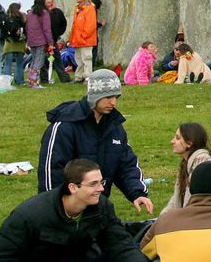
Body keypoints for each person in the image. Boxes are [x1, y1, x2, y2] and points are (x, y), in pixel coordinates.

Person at [0, 158, 153, 262]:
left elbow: (118, 242)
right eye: (93, 184)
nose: (101, 189)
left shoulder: (101, 206)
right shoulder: (30, 214)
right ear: (73, 187)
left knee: (135, 257)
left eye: (101, 182)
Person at [38, 69, 153, 214]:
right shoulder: (65, 126)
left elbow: (126, 164)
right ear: (94, 96)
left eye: (116, 97)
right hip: (67, 209)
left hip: (98, 207)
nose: (114, 102)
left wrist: (137, 193)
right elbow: (51, 170)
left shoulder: (115, 126)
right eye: (108, 97)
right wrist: (56, 208)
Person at [24, 0, 53, 88]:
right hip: (41, 40)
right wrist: (50, 42)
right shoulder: (44, 13)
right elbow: (47, 29)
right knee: (39, 61)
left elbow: (27, 28)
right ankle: (34, 82)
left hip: (31, 40)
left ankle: (30, 80)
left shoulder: (30, 13)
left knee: (33, 60)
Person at [70, 0, 98, 83]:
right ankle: (78, 76)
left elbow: (91, 25)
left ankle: (88, 77)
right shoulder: (77, 8)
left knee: (87, 58)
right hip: (77, 39)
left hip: (86, 39)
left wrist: (84, 35)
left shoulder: (90, 8)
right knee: (78, 59)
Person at [42, 0, 69, 84]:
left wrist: (58, 33)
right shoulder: (41, 12)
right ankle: (44, 78)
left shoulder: (57, 11)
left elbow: (63, 23)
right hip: (43, 39)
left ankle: (64, 78)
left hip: (53, 39)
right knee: (42, 59)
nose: (48, 1)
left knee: (57, 58)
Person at [1, 2, 28, 86]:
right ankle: (19, 80)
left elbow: (3, 30)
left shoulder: (6, 18)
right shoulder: (22, 18)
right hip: (20, 42)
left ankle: (7, 81)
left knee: (8, 63)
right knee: (19, 63)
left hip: (9, 42)